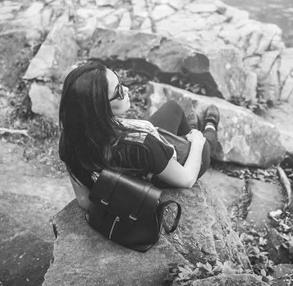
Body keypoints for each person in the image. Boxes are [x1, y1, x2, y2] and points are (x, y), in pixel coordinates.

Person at [58, 61, 220, 195]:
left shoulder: (70, 138)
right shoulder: (141, 143)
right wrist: (197, 143)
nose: (126, 89)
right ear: (100, 107)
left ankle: (190, 128)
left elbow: (85, 201)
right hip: (166, 173)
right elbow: (187, 179)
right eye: (119, 90)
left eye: (121, 82)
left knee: (173, 108)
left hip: (143, 164)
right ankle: (210, 126)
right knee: (203, 142)